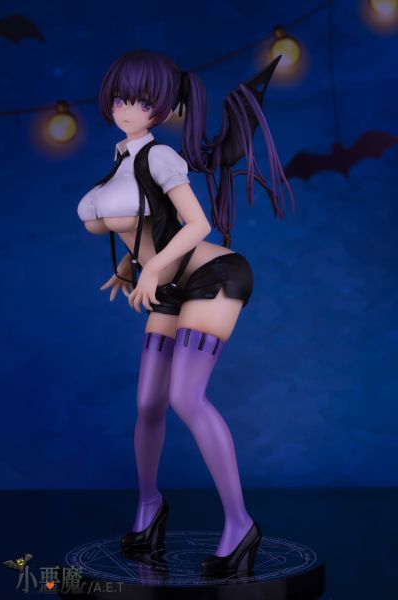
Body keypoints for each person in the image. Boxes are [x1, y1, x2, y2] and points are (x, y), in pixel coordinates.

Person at [77, 49, 295, 577]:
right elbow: (146, 225)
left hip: (213, 275)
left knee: (185, 397)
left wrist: (152, 269)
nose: (127, 109)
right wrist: (131, 266)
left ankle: (240, 524)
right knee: (148, 402)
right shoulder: (122, 159)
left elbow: (197, 225)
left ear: (163, 107)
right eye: (120, 98)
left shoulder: (160, 158)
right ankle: (150, 507)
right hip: (170, 285)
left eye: (141, 100)